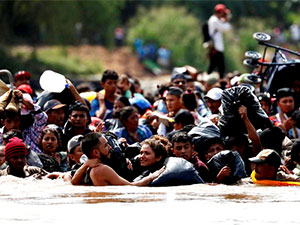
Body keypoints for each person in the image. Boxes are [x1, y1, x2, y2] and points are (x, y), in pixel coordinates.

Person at [71, 132, 165, 186]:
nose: (110, 147)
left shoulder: (89, 168)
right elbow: (132, 187)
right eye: (105, 146)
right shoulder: (101, 169)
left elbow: (73, 182)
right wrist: (153, 176)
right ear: (96, 152)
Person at [207, 4, 231, 78]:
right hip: (216, 47)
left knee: (214, 65)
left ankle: (209, 78)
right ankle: (215, 79)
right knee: (220, 66)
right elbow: (226, 28)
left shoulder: (215, 20)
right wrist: (226, 20)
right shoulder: (214, 20)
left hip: (217, 46)